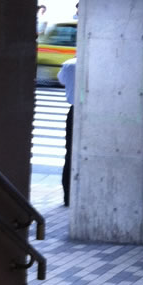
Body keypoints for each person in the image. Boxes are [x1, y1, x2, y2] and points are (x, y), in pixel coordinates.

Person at [58, 55, 77, 206]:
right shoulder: (95, 64)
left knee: (70, 154)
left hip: (73, 112)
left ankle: (67, 195)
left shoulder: (68, 65)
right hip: (92, 112)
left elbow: (62, 81)